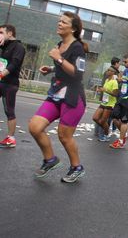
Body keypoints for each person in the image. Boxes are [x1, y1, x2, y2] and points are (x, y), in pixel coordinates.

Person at [28, 12, 88, 183]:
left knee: (64, 136)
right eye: (59, 21)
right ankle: (50, 160)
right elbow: (63, 66)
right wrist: (52, 68)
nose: (59, 23)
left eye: (63, 22)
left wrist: (59, 59)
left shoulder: (78, 47)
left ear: (73, 28)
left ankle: (77, 167)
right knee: (34, 127)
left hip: (73, 98)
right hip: (56, 94)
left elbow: (78, 74)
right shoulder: (59, 44)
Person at [0, 24, 26, 148]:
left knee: (9, 110)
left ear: (10, 33)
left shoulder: (18, 47)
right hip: (1, 81)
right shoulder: (3, 46)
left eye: (1, 32)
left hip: (9, 84)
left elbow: (14, 64)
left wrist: (2, 75)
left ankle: (11, 138)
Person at [94, 57, 121, 137]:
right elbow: (105, 87)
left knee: (104, 119)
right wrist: (101, 90)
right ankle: (103, 132)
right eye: (119, 63)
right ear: (116, 63)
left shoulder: (114, 80)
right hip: (105, 101)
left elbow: (114, 92)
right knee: (97, 118)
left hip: (110, 102)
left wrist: (104, 91)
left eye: (109, 71)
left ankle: (104, 134)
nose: (107, 71)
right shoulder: (109, 78)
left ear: (113, 73)